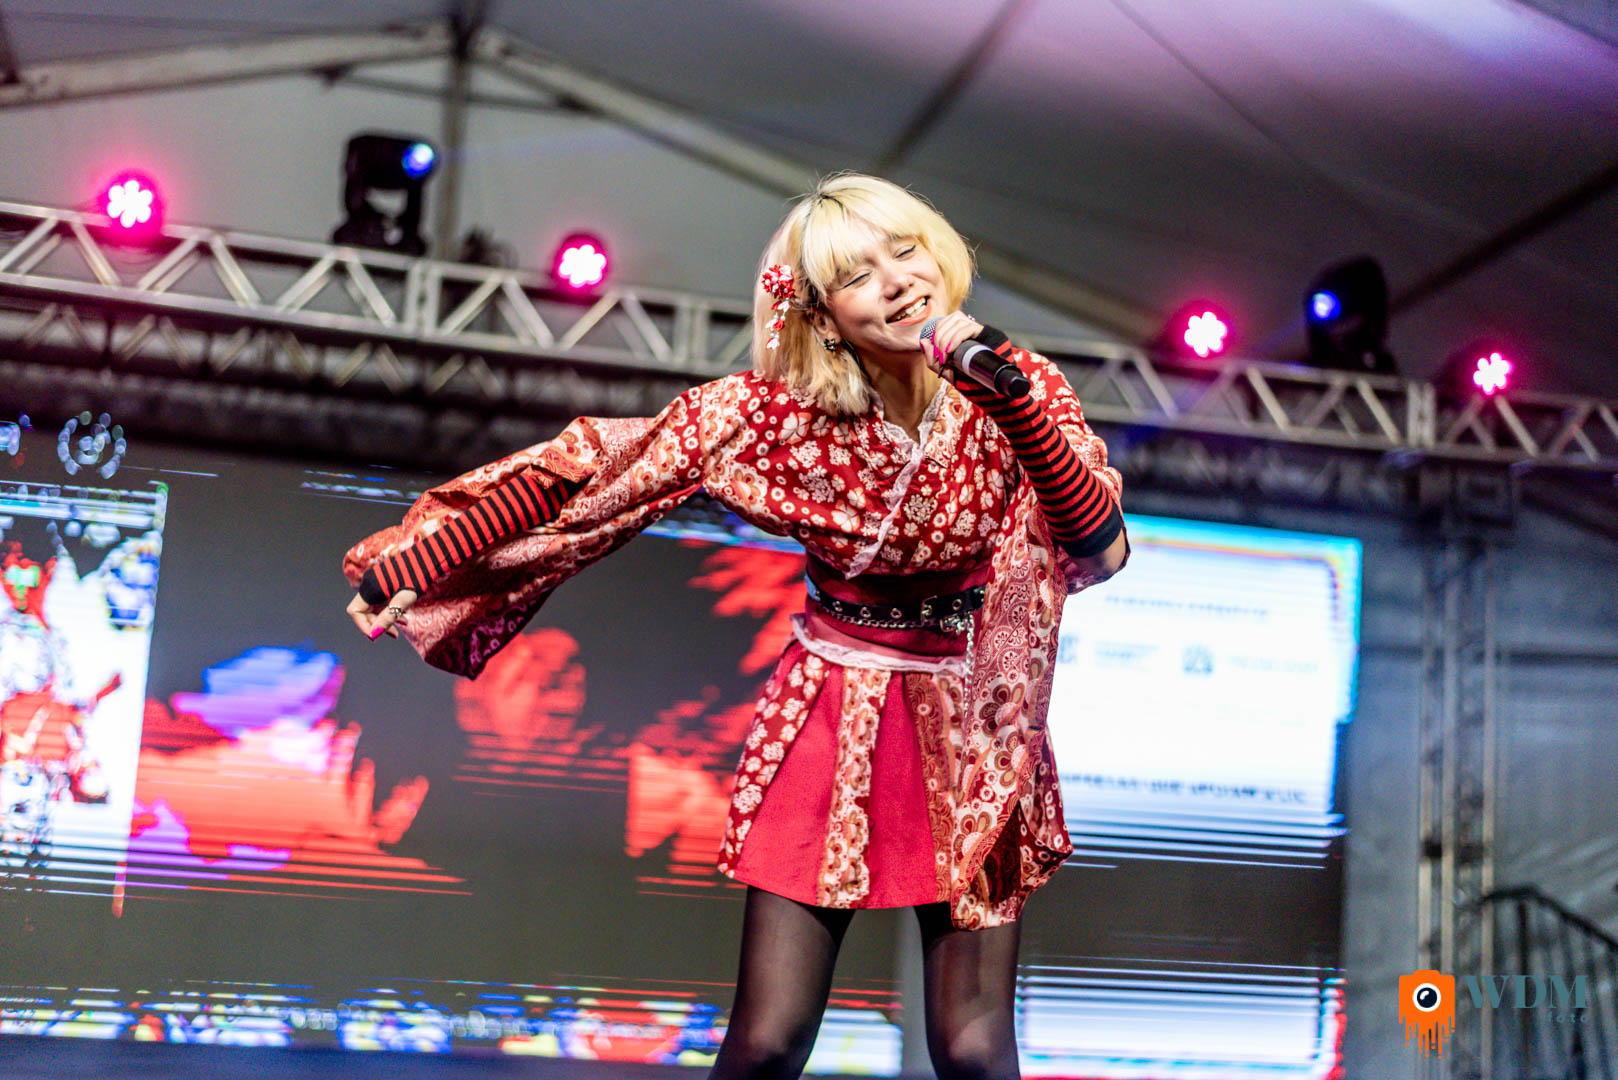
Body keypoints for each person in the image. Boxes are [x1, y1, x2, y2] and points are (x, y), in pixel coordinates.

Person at [343, 173, 1128, 1080]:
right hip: (835, 709)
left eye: (906, 251)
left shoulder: (1020, 387)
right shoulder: (771, 419)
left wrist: (1015, 404)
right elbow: (599, 469)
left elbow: (1100, 545)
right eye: (858, 275)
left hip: (974, 726)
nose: (897, 282)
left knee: (975, 1048)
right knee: (767, 1042)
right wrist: (422, 560)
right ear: (822, 317)